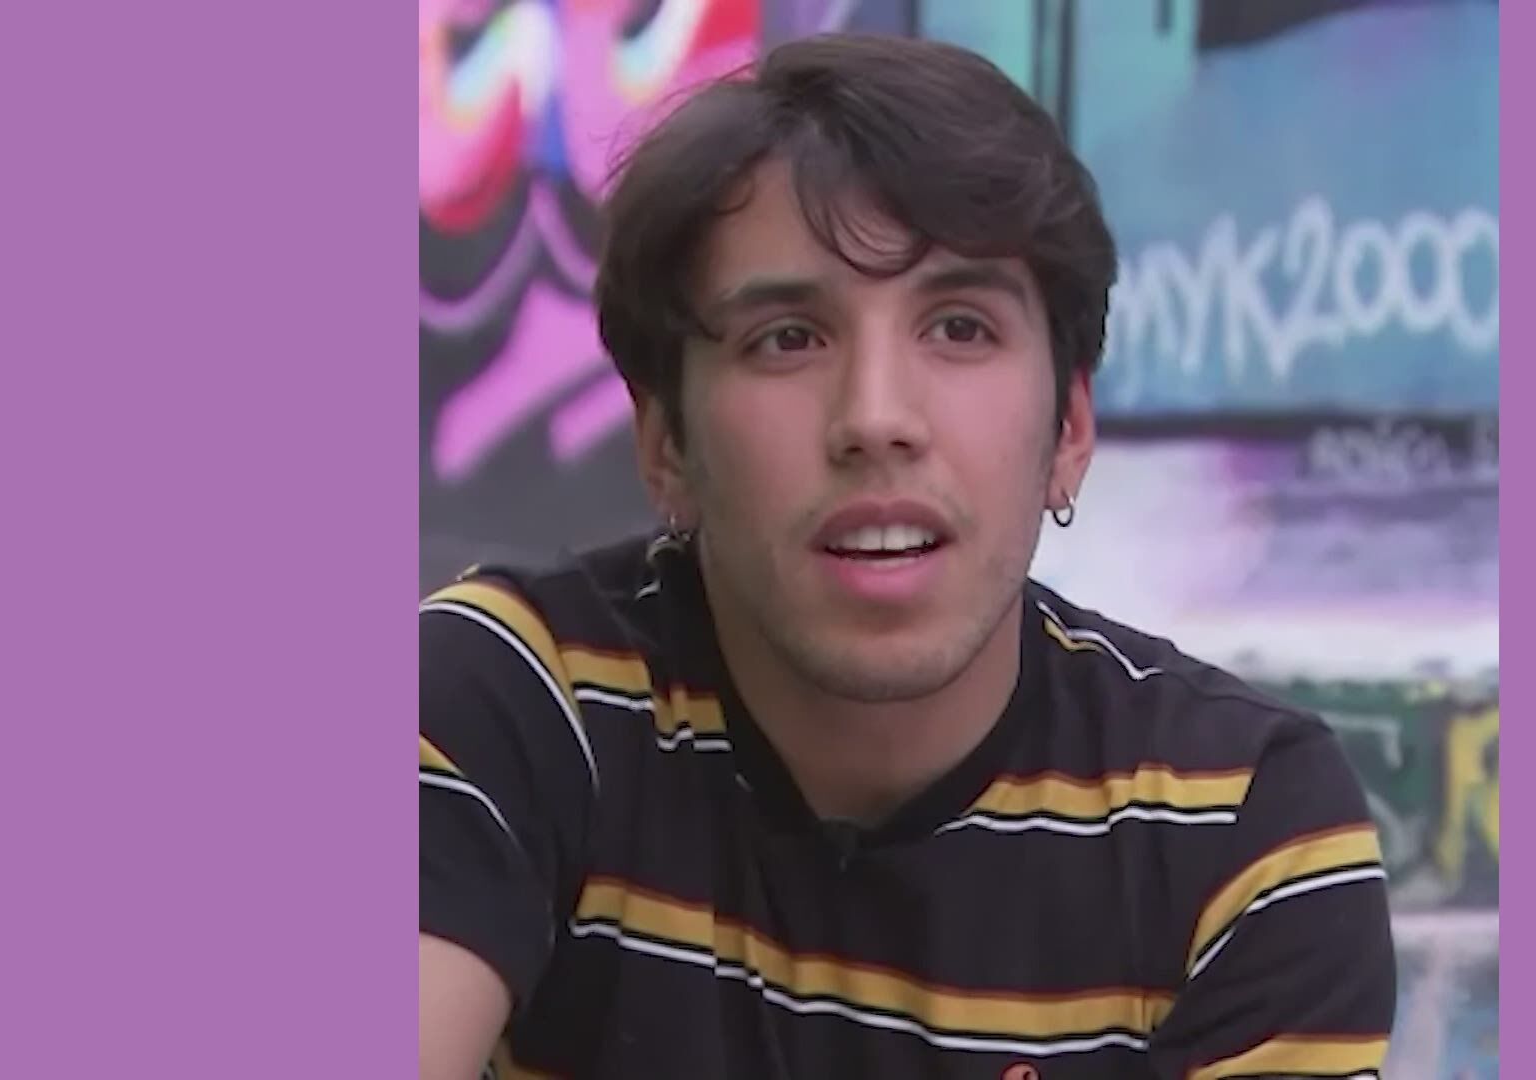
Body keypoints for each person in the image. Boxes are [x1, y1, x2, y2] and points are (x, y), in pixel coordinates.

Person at [419, 32, 1396, 1080]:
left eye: (960, 328)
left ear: (1068, 431)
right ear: (666, 443)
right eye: (788, 338)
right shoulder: (509, 702)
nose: (876, 419)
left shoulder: (1242, 825)